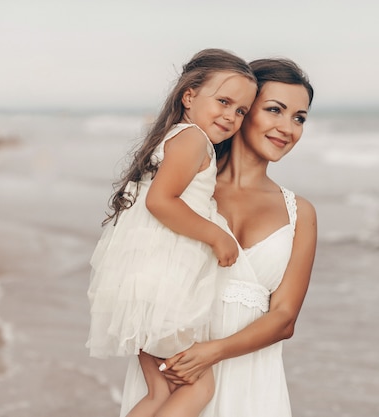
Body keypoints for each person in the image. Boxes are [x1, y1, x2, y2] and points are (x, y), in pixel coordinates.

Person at [118, 58, 317, 417]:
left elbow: (285, 318)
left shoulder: (299, 213)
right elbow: (139, 262)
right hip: (176, 374)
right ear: (242, 109)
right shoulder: (187, 191)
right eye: (275, 110)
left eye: (299, 117)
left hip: (251, 382)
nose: (287, 128)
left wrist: (213, 352)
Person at [87, 48, 257, 417]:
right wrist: (217, 235)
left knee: (159, 392)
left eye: (241, 110)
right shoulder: (193, 139)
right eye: (224, 101)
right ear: (190, 96)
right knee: (200, 388)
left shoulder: (178, 137)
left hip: (145, 285)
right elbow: (161, 202)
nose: (231, 116)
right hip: (166, 289)